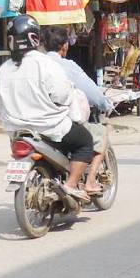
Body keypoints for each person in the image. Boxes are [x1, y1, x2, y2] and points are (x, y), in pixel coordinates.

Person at [0, 14, 95, 203]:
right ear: (34, 37)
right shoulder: (44, 63)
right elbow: (62, 95)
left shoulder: (3, 69)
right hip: (50, 128)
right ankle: (70, 185)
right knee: (86, 141)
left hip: (17, 132)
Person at [41, 26, 112, 195]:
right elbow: (91, 91)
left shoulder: (36, 64)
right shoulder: (67, 66)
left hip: (31, 121)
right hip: (59, 123)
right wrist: (105, 104)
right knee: (97, 135)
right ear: (65, 45)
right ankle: (88, 182)